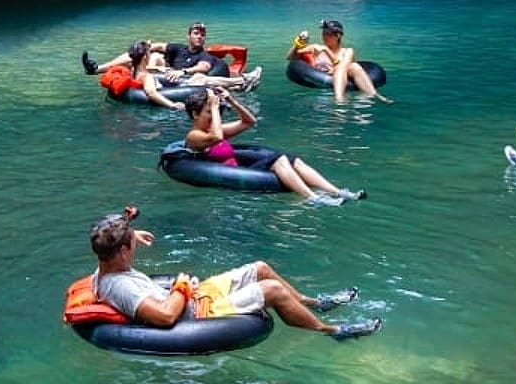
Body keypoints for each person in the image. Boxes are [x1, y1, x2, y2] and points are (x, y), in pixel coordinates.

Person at [87, 206, 382, 339]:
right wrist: (180, 287)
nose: (135, 247)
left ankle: (313, 303)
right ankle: (330, 331)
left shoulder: (106, 263)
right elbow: (164, 317)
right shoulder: (121, 287)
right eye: (131, 245)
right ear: (122, 252)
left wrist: (133, 233)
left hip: (195, 297)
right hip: (197, 312)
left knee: (260, 268)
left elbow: (109, 242)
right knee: (273, 291)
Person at [183, 86, 366, 206]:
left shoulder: (216, 129)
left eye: (214, 112)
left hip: (239, 170)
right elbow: (216, 137)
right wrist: (215, 107)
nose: (215, 115)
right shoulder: (194, 136)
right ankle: (313, 198)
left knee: (293, 160)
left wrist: (231, 100)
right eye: (208, 112)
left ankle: (337, 192)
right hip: (230, 177)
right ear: (195, 114)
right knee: (279, 160)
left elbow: (249, 122)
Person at [82, 21, 263, 91]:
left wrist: (182, 72)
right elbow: (160, 45)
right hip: (165, 77)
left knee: (199, 77)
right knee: (151, 54)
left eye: (202, 34)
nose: (199, 36)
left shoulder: (205, 56)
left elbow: (203, 68)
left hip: (183, 81)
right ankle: (96, 69)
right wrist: (145, 47)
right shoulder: (178, 48)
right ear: (189, 36)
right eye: (196, 33)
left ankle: (242, 81)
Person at [286, 19, 391, 102]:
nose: (324, 37)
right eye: (323, 34)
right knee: (350, 66)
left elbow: (341, 67)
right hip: (324, 82)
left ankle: (374, 95)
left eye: (328, 34)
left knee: (354, 66)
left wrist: (327, 51)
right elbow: (290, 57)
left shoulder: (347, 51)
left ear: (338, 36)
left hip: (344, 79)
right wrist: (298, 43)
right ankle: (340, 99)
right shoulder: (316, 48)